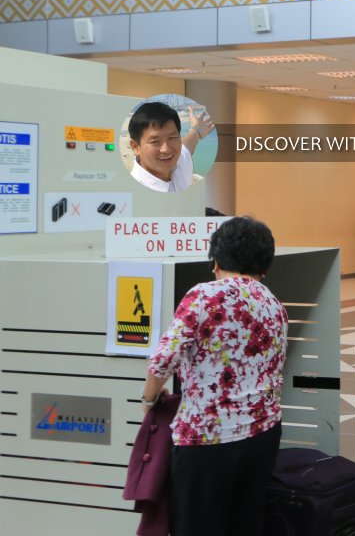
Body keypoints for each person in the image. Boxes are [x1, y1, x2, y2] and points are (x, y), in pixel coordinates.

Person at [142, 216, 288, 536]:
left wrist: (150, 398)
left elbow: (163, 360)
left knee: (197, 526)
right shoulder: (274, 304)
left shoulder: (205, 296)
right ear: (264, 264)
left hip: (207, 438)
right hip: (263, 433)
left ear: (217, 261)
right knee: (246, 523)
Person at [128, 101, 214, 193]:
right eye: (155, 141)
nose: (166, 149)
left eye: (172, 138)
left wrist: (197, 130)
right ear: (135, 147)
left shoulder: (179, 162)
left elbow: (188, 143)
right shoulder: (133, 192)